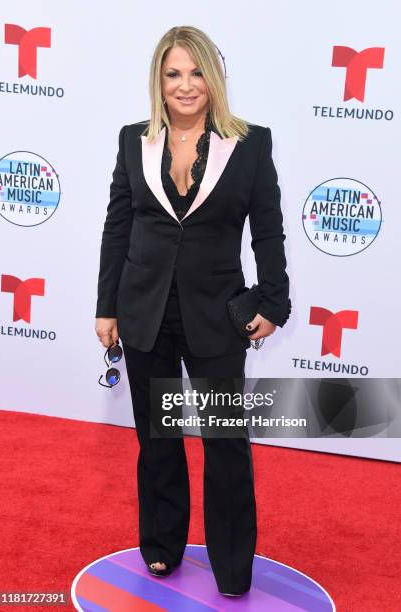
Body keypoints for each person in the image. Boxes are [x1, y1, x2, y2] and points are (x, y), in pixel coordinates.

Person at [95, 25, 290, 597]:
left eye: (197, 72)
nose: (186, 85)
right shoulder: (135, 139)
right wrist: (106, 305)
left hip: (216, 313)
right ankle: (161, 546)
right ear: (159, 78)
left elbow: (269, 229)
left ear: (214, 77)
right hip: (144, 310)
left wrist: (274, 299)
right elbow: (117, 227)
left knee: (225, 443)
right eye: (173, 73)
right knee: (157, 438)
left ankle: (232, 566)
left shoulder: (250, 143)